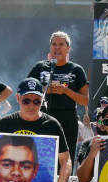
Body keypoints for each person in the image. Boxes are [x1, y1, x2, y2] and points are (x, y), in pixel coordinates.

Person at [0, 78, 71, 182]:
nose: (32, 106)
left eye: (37, 101)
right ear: (18, 98)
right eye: (26, 101)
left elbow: (66, 160)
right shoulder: (5, 124)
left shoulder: (52, 125)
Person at [27, 31, 89, 161]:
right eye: (54, 44)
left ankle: (63, 180)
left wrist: (65, 91)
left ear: (68, 48)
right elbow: (25, 92)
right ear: (50, 47)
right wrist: (44, 90)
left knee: (66, 157)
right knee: (40, 156)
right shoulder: (40, 67)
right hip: (42, 116)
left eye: (61, 44)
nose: (57, 47)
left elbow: (85, 100)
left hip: (68, 118)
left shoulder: (76, 69)